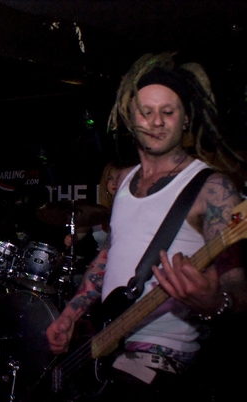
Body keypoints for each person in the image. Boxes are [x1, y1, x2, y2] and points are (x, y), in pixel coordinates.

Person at [45, 51, 247, 402]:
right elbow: (109, 253)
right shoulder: (125, 180)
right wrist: (70, 314)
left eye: (168, 112)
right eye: (146, 111)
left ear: (185, 118)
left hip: (165, 357)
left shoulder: (213, 189)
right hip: (112, 344)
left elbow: (239, 294)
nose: (156, 122)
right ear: (130, 117)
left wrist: (212, 301)